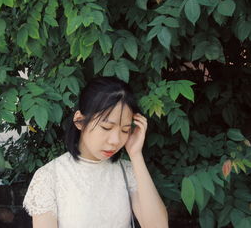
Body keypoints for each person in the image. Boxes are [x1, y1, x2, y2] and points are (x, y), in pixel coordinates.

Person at [23, 76, 168, 228]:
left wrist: (136, 155)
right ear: (79, 121)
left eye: (125, 130)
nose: (115, 140)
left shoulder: (128, 171)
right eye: (106, 127)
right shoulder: (49, 177)